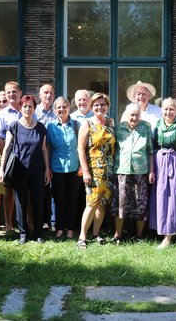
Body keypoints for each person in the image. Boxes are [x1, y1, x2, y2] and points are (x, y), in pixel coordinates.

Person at [0, 95, 51, 244]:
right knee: (21, 202)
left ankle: (38, 233)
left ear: (34, 109)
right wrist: (2, 170)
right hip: (19, 171)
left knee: (38, 201)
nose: (27, 109)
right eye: (25, 106)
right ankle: (23, 234)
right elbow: (7, 149)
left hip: (37, 170)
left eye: (30, 106)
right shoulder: (14, 126)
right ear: (20, 109)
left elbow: (44, 150)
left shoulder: (41, 128)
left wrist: (47, 169)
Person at [149, 98, 176, 249]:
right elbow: (154, 147)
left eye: (171, 109)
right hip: (160, 165)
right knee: (161, 198)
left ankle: (169, 236)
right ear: (161, 110)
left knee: (173, 198)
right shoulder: (158, 125)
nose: (168, 112)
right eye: (165, 109)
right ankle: (161, 229)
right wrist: (152, 169)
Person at [76, 93, 115, 249]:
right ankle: (82, 237)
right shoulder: (87, 123)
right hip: (94, 170)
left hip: (109, 170)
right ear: (91, 107)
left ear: (107, 106)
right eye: (96, 105)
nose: (100, 107)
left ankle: (96, 233)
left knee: (102, 204)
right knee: (91, 203)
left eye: (103, 104)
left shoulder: (110, 122)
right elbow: (80, 148)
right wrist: (85, 171)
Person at [111, 104, 155, 244]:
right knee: (120, 204)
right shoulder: (118, 128)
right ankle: (118, 234)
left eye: (137, 115)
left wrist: (151, 171)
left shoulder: (146, 127)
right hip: (121, 170)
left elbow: (150, 151)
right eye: (132, 115)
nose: (134, 118)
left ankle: (139, 235)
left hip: (140, 171)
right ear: (126, 114)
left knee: (140, 203)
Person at [46, 97, 82, 239]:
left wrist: (81, 165)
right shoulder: (51, 126)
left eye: (64, 107)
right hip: (57, 167)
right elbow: (48, 148)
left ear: (69, 108)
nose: (61, 110)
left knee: (73, 199)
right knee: (59, 199)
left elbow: (81, 147)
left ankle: (71, 229)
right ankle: (60, 227)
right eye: (58, 107)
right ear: (55, 110)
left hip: (74, 167)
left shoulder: (76, 125)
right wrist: (47, 167)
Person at [0, 81, 25, 235]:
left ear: (20, 92)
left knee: (27, 192)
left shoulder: (28, 109)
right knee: (9, 193)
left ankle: (26, 224)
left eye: (14, 91)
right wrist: (5, 161)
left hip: (28, 158)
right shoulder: (2, 115)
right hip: (11, 159)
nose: (12, 95)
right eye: (8, 93)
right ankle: (8, 225)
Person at [36, 84, 56, 231]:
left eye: (51, 93)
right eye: (45, 93)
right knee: (40, 189)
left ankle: (53, 221)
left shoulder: (58, 111)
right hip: (38, 155)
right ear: (40, 95)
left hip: (55, 155)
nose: (48, 95)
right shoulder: (34, 111)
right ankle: (42, 220)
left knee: (54, 190)